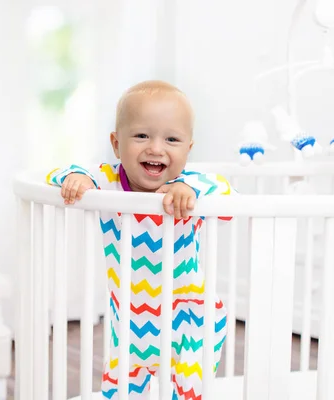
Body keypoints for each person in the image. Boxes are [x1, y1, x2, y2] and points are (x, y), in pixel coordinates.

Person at [46, 80, 234, 399]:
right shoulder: (107, 182)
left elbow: (226, 194)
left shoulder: (189, 187)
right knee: (119, 390)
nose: (156, 148)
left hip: (190, 318)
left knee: (188, 391)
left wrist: (190, 191)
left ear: (188, 149)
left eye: (172, 139)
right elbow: (57, 175)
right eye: (142, 135)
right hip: (132, 321)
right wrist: (76, 179)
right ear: (117, 144)